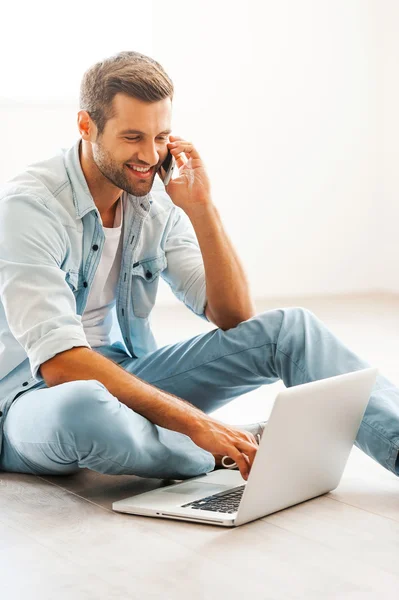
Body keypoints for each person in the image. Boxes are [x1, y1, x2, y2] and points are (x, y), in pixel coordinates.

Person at [0, 51, 397, 484]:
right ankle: (231, 448)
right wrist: (196, 423)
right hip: (32, 400)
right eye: (133, 137)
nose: (150, 156)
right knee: (85, 409)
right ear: (86, 126)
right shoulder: (31, 206)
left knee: (290, 329)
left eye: (161, 136)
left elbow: (232, 316)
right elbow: (62, 365)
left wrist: (202, 208)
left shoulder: (151, 199)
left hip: (125, 374)